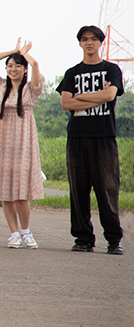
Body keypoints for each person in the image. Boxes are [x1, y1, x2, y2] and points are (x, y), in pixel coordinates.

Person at [57, 25, 125, 255]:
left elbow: (109, 95)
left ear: (100, 43)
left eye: (94, 39)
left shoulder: (111, 69)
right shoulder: (72, 73)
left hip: (104, 136)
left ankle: (114, 240)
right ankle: (83, 238)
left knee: (106, 189)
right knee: (78, 190)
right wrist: (95, 98)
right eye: (85, 39)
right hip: (76, 137)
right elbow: (66, 103)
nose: (89, 43)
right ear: (79, 43)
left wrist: (81, 98)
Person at [0, 39, 44, 249]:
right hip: (2, 139)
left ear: (24, 69)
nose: (12, 69)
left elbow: (35, 66)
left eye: (17, 65)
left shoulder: (31, 89)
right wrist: (13, 51)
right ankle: (14, 233)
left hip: (23, 139)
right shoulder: (0, 85)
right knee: (5, 189)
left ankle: (26, 231)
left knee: (20, 191)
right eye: (9, 66)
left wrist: (24, 54)